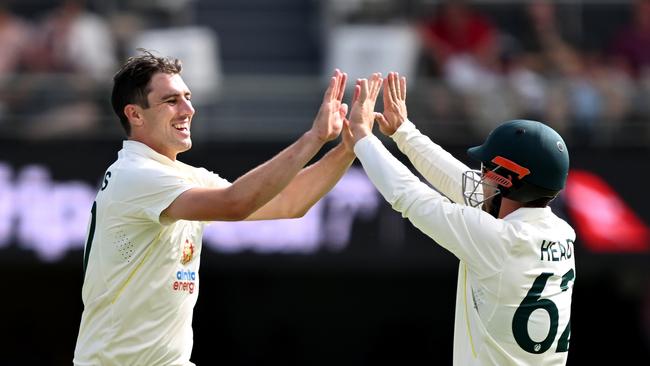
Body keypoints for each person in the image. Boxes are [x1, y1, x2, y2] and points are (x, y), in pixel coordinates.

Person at [73, 50, 356, 365]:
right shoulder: (137, 174)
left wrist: (349, 146)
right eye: (171, 101)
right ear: (135, 115)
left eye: (188, 97)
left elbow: (290, 203)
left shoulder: (181, 176)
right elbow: (236, 203)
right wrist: (314, 138)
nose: (188, 109)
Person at [346, 71, 576, 365]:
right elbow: (466, 187)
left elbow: (408, 195)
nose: (479, 178)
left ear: (509, 180)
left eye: (487, 172)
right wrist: (404, 132)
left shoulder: (499, 240)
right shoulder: (560, 233)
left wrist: (363, 139)